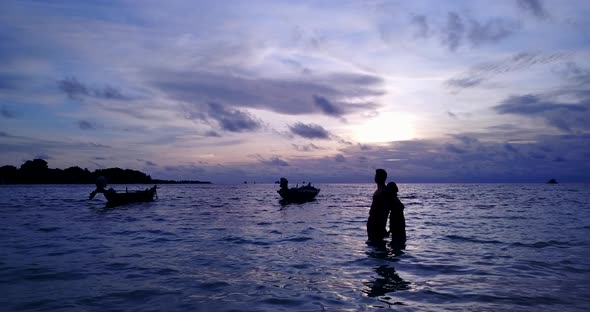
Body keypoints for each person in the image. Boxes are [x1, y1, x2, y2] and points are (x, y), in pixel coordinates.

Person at [367, 169, 390, 241]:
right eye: (376, 175)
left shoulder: (384, 191)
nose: (375, 177)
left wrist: (382, 226)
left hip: (378, 222)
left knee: (377, 243)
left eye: (377, 176)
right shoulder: (379, 190)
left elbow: (385, 209)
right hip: (373, 220)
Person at [387, 181, 406, 247]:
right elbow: (393, 217)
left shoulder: (394, 199)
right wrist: (391, 229)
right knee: (398, 244)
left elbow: (393, 217)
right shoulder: (393, 200)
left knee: (398, 244)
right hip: (398, 226)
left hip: (399, 226)